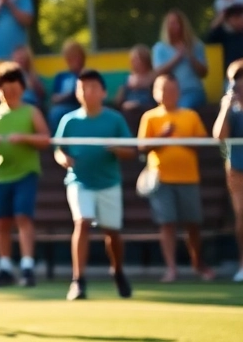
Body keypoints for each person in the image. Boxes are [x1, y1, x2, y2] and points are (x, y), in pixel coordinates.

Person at [53, 70, 137, 301]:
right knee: (82, 222)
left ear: (103, 92)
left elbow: (131, 150)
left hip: (109, 183)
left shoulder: (115, 119)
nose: (87, 92)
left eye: (92, 87)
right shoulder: (69, 120)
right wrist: (63, 159)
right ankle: (78, 281)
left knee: (112, 232)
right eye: (82, 88)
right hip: (79, 182)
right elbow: (59, 149)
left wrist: (117, 149)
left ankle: (117, 271)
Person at [0, 62, 50, 288]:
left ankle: (27, 265)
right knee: (2, 221)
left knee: (23, 217)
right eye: (3, 86)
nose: (8, 90)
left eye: (13, 84)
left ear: (22, 87)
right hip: (1, 176)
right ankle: (5, 266)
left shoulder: (31, 112)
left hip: (25, 173)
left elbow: (45, 138)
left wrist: (25, 138)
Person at [139, 74, 212, 282]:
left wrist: (182, 140)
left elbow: (203, 142)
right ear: (155, 93)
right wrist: (162, 137)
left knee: (193, 224)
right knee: (167, 224)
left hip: (189, 178)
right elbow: (142, 147)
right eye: (163, 90)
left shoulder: (190, 115)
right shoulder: (150, 117)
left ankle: (198, 264)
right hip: (161, 179)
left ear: (178, 92)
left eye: (172, 90)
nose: (168, 94)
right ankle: (171, 268)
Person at [211, 60, 243, 283]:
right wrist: (225, 107)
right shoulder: (231, 110)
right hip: (237, 169)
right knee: (241, 216)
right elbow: (219, 135)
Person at [152, 9, 208, 111]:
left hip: (192, 91)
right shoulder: (160, 48)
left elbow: (204, 73)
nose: (175, 27)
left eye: (178, 23)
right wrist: (177, 58)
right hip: (168, 94)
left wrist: (191, 57)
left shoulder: (196, 45)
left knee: (181, 110)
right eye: (171, 23)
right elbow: (158, 72)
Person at [115, 45, 156, 128]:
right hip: (129, 111)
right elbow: (118, 101)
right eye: (133, 60)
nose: (135, 62)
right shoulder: (128, 79)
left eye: (138, 59)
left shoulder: (153, 78)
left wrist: (137, 104)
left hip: (146, 108)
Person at [49, 40, 88, 127]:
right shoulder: (61, 76)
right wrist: (65, 96)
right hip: (62, 107)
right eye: (70, 57)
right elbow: (54, 98)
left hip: (79, 106)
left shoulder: (87, 74)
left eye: (75, 57)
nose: (73, 60)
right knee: (55, 112)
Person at [205, 4, 243, 87]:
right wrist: (220, 18)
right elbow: (209, 39)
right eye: (237, 17)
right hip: (231, 76)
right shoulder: (223, 35)